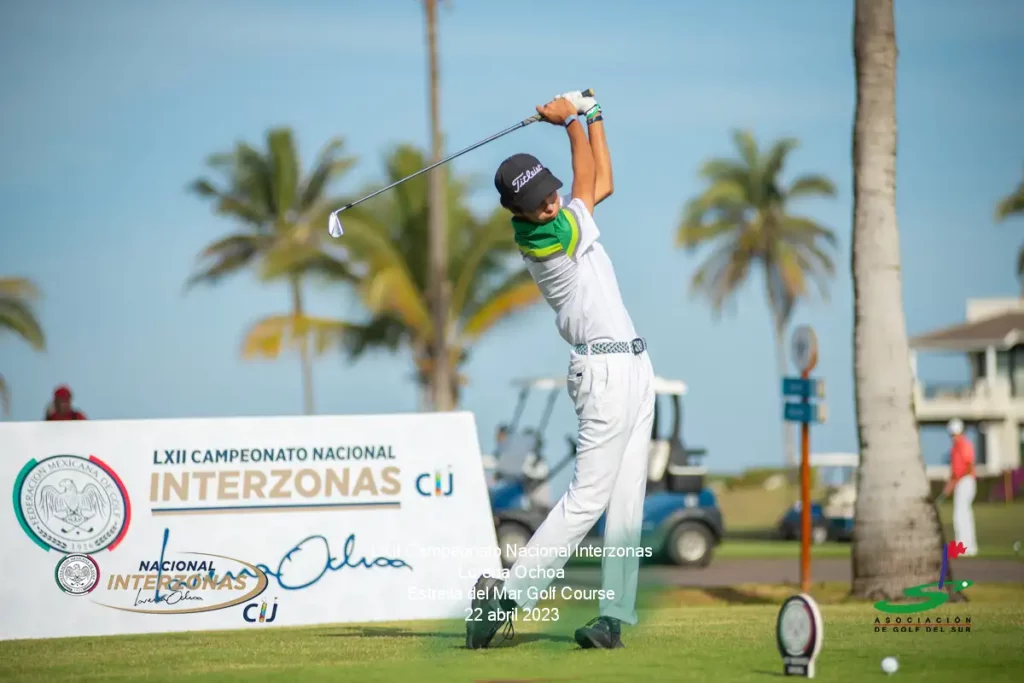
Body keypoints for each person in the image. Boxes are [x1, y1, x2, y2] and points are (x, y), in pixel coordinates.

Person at [466, 92, 655, 651]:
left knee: (627, 497)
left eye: (549, 192)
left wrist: (593, 114)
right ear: (517, 213)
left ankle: (612, 618)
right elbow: (587, 175)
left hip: (636, 367)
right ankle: (504, 601)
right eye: (536, 200)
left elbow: (602, 182)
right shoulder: (546, 237)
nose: (549, 203)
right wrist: (571, 119)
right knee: (588, 497)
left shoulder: (568, 211)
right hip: (600, 372)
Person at [942, 418, 977, 556]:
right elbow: (954, 471)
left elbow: (968, 466)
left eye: (953, 434)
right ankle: (969, 548)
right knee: (963, 514)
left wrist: (955, 481)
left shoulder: (964, 445)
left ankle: (965, 548)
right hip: (961, 482)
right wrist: (949, 486)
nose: (952, 436)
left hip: (966, 482)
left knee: (960, 515)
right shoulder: (955, 447)